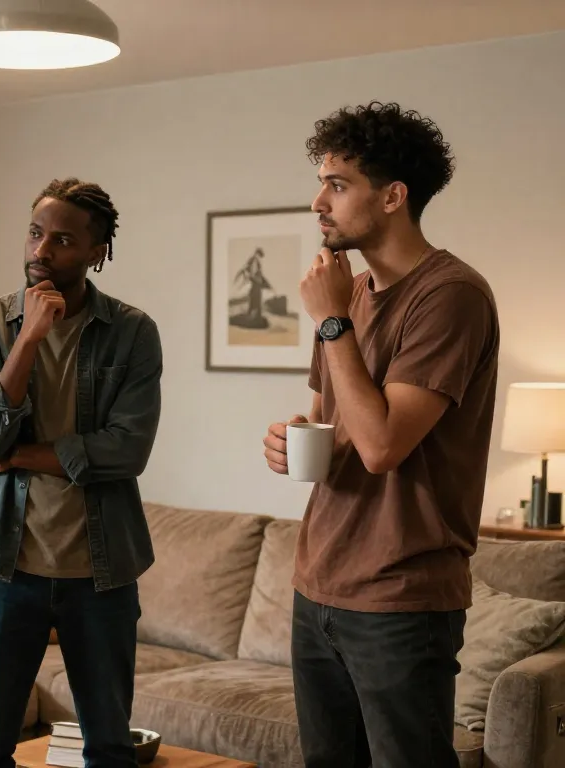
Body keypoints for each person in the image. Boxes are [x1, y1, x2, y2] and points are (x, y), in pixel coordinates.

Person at [262, 101, 500, 767]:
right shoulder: (350, 291)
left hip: (400, 597)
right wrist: (293, 437)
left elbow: (381, 446)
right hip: (318, 586)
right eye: (321, 182)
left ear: (393, 196)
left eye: (338, 184)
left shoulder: (451, 296)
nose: (318, 201)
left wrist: (331, 322)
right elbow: (333, 422)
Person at [0, 177, 162, 768]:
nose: (40, 251)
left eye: (63, 240)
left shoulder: (133, 332)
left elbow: (126, 452)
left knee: (110, 749)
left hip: (101, 572)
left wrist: (16, 457)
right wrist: (29, 341)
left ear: (97, 253)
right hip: (4, 565)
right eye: (35, 233)